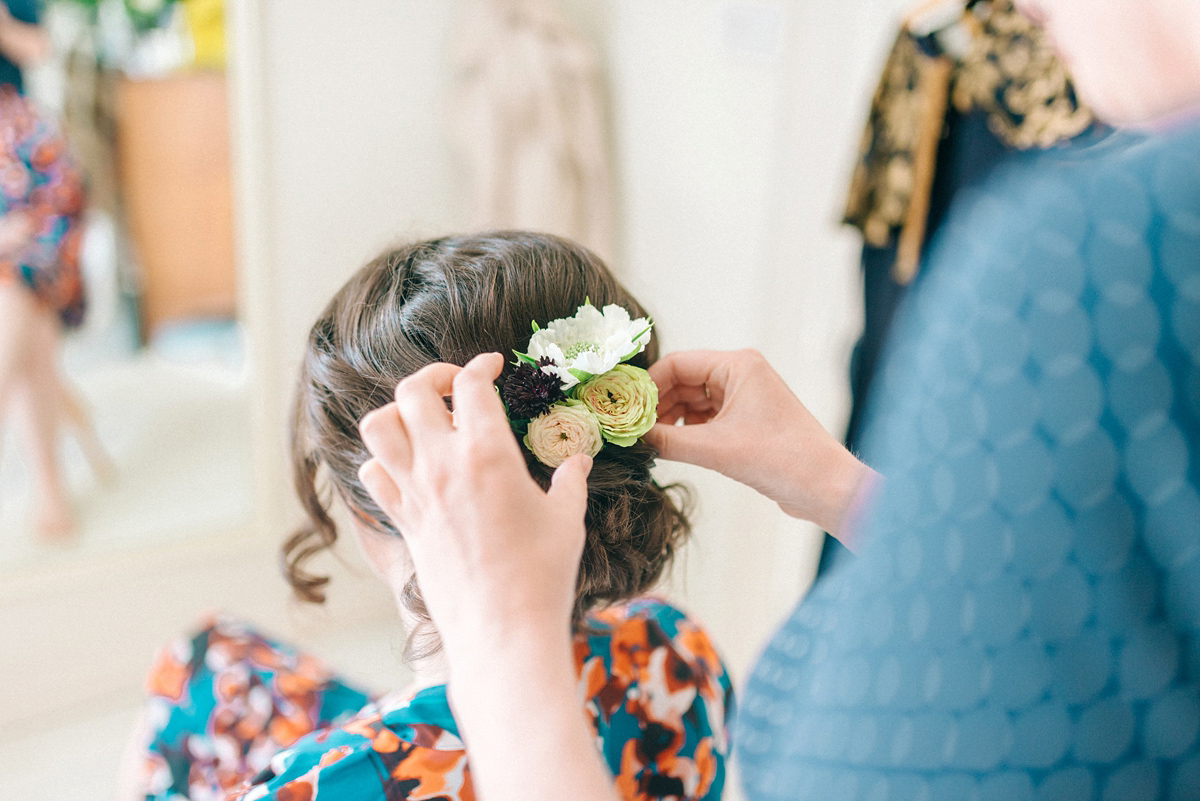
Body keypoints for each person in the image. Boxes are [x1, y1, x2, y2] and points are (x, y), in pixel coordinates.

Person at [352, 0, 1200, 799]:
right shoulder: (674, 657)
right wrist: (837, 484)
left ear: (364, 510)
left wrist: (505, 637)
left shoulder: (1102, 279)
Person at [121, 233, 733, 801]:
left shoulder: (302, 788)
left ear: (374, 511)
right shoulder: (673, 647)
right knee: (207, 652)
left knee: (189, 686)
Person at [0, 1, 93, 540]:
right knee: (23, 312)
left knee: (18, 287)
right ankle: (51, 489)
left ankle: (51, 490)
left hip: (30, 213)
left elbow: (38, 47)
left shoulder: (26, 127)